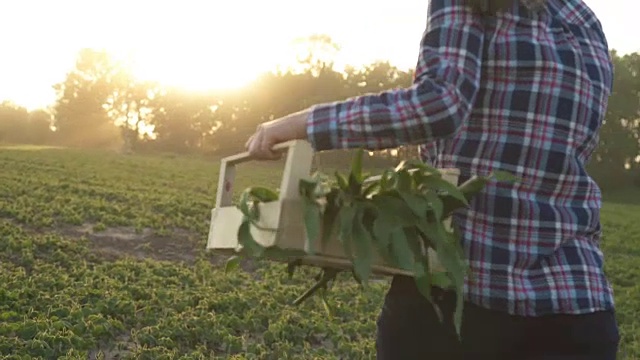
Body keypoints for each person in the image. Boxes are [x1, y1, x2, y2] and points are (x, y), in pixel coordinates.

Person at [245, 0, 620, 358]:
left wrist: (303, 124)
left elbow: (439, 103)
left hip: (461, 295)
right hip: (579, 306)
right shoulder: (582, 19)